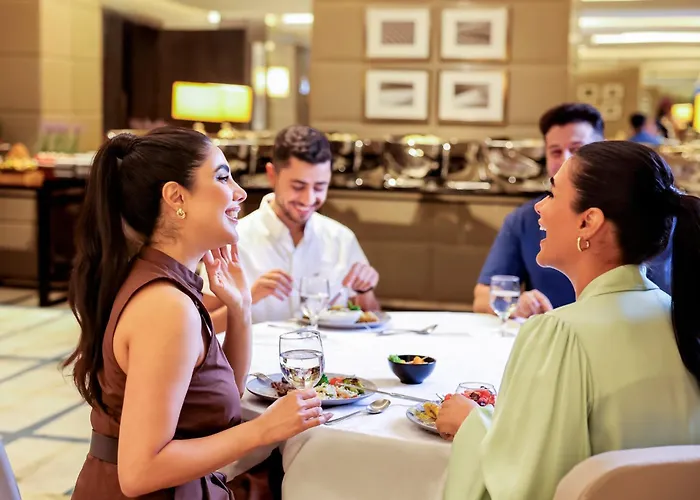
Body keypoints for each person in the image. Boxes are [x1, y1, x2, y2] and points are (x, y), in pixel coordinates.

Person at [63, 127, 332, 499]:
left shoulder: (166, 282)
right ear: (176, 197)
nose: (240, 192)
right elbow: (139, 472)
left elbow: (220, 399)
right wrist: (262, 430)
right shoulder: (166, 306)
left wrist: (240, 308)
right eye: (223, 177)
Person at [437, 141, 700, 500]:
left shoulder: (561, 334)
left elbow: (528, 488)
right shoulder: (681, 318)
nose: (539, 208)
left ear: (588, 222)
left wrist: (472, 424)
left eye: (552, 194)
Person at [473, 103, 672, 319]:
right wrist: (518, 303)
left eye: (577, 150)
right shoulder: (525, 219)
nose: (565, 160)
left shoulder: (648, 218)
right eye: (555, 152)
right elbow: (483, 295)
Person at [202, 125, 380, 328]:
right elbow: (203, 328)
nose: (308, 199)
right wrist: (249, 299)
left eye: (319, 187)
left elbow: (369, 320)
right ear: (272, 175)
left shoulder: (341, 238)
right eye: (298, 186)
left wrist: (365, 290)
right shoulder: (231, 241)